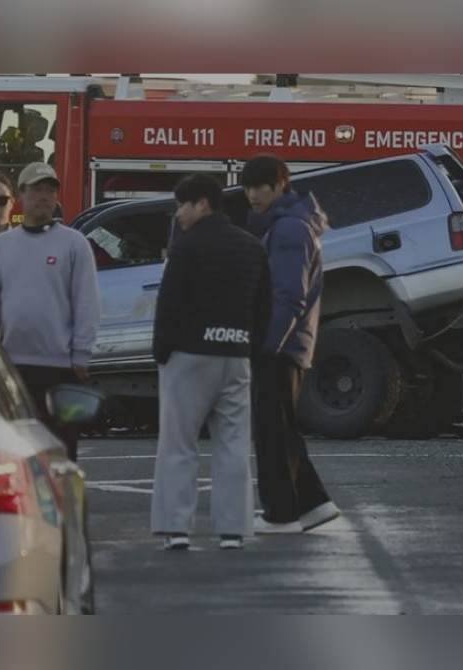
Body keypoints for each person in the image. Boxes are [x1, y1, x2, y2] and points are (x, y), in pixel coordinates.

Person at [150, 175, 271, 551]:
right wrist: (249, 345)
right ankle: (233, 530)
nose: (179, 214)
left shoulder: (186, 248)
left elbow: (168, 304)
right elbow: (264, 307)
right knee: (234, 444)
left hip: (189, 355)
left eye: (182, 206)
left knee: (179, 443)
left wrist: (162, 351)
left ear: (202, 204)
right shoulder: (252, 248)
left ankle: (176, 528)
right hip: (236, 355)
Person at [241, 154, 340, 534]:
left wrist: (268, 345)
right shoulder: (291, 226)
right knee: (279, 428)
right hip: (288, 344)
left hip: (280, 345)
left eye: (260, 186)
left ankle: (282, 513)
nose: (253, 195)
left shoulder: (288, 230)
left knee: (272, 431)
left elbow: (289, 296)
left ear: (281, 184)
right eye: (248, 186)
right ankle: (313, 504)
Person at [0, 162, 100, 461]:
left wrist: (81, 353)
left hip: (61, 366)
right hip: (12, 366)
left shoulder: (75, 244)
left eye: (49, 190)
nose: (43, 196)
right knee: (15, 450)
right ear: (21, 194)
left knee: (61, 451)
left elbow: (86, 302)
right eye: (36, 189)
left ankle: (63, 507)